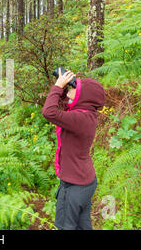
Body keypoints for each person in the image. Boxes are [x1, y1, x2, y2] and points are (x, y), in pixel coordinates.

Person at [42, 68, 106, 230]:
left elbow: (49, 112)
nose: (71, 88)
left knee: (65, 226)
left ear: (84, 96)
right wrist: (63, 88)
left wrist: (58, 86)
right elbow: (64, 105)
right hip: (83, 182)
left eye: (75, 87)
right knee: (82, 225)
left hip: (75, 186)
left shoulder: (80, 118)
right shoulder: (85, 114)